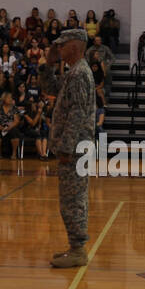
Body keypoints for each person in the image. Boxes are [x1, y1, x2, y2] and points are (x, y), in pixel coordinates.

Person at [46, 29, 97, 268]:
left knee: (73, 198)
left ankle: (78, 249)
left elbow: (77, 113)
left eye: (61, 45)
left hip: (75, 148)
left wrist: (66, 147)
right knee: (71, 197)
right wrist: (47, 65)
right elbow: (51, 89)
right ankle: (75, 246)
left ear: (74, 47)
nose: (58, 49)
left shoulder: (79, 73)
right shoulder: (74, 72)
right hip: (75, 147)